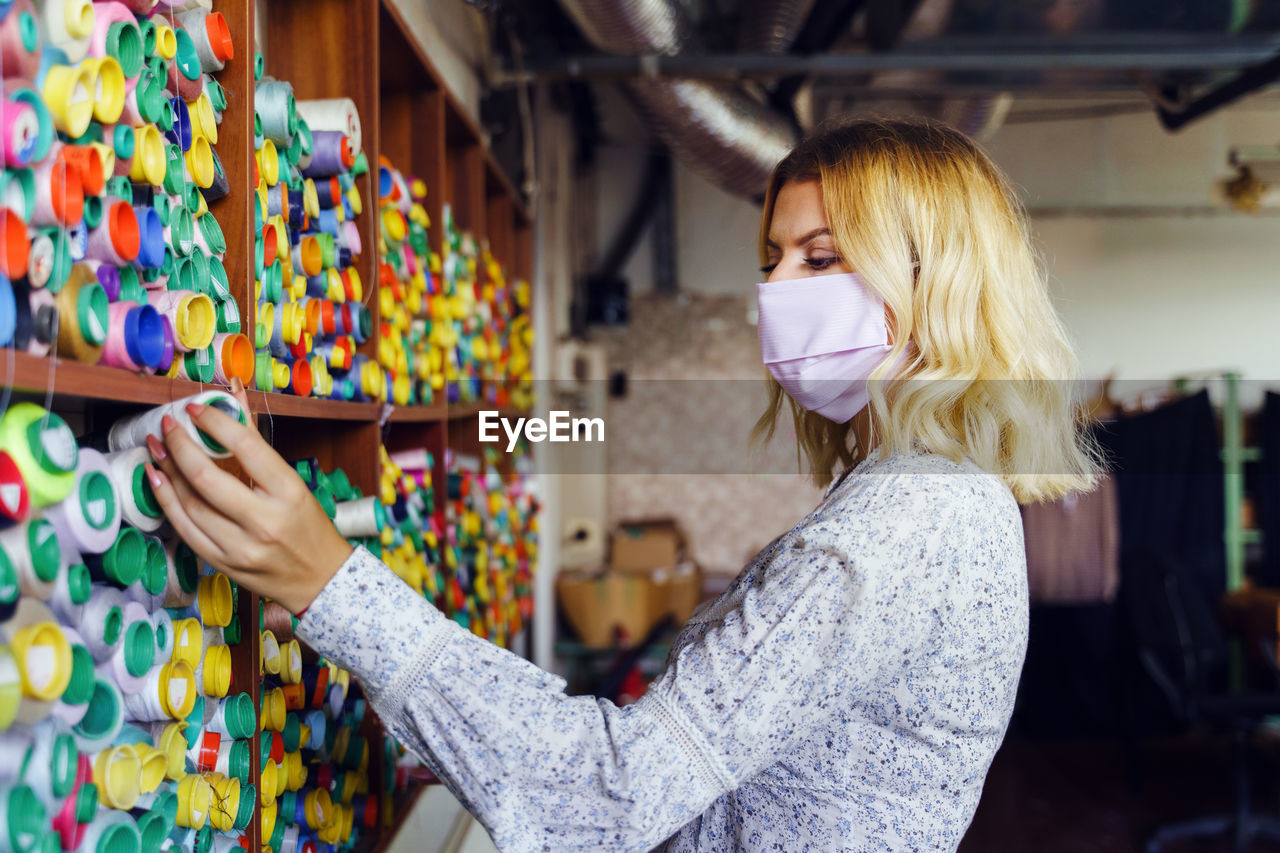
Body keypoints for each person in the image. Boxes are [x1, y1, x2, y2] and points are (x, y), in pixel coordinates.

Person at [144, 119, 1101, 852]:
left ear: (935, 279)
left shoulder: (892, 532)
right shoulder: (945, 499)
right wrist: (368, 648)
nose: (778, 291)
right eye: (772, 258)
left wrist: (331, 582)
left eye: (822, 258)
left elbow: (612, 794)